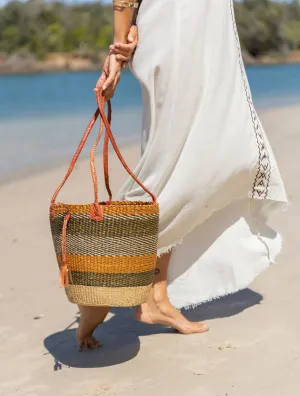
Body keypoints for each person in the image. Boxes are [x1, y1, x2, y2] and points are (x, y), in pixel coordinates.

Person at [77, 0, 287, 349]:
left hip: (211, 41)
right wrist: (118, 46)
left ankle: (154, 297)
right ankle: (109, 271)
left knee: (209, 156)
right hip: (177, 37)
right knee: (171, 164)